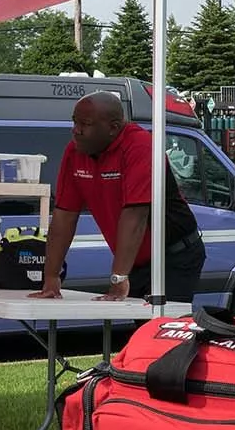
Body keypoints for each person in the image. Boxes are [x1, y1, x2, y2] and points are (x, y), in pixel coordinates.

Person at [30, 91, 205, 304]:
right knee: (140, 328)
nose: (76, 131)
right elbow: (64, 215)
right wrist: (51, 277)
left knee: (160, 328)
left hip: (175, 255)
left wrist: (119, 277)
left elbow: (135, 214)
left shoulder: (140, 145)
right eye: (74, 122)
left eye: (85, 124)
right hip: (136, 261)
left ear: (113, 127)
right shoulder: (75, 152)